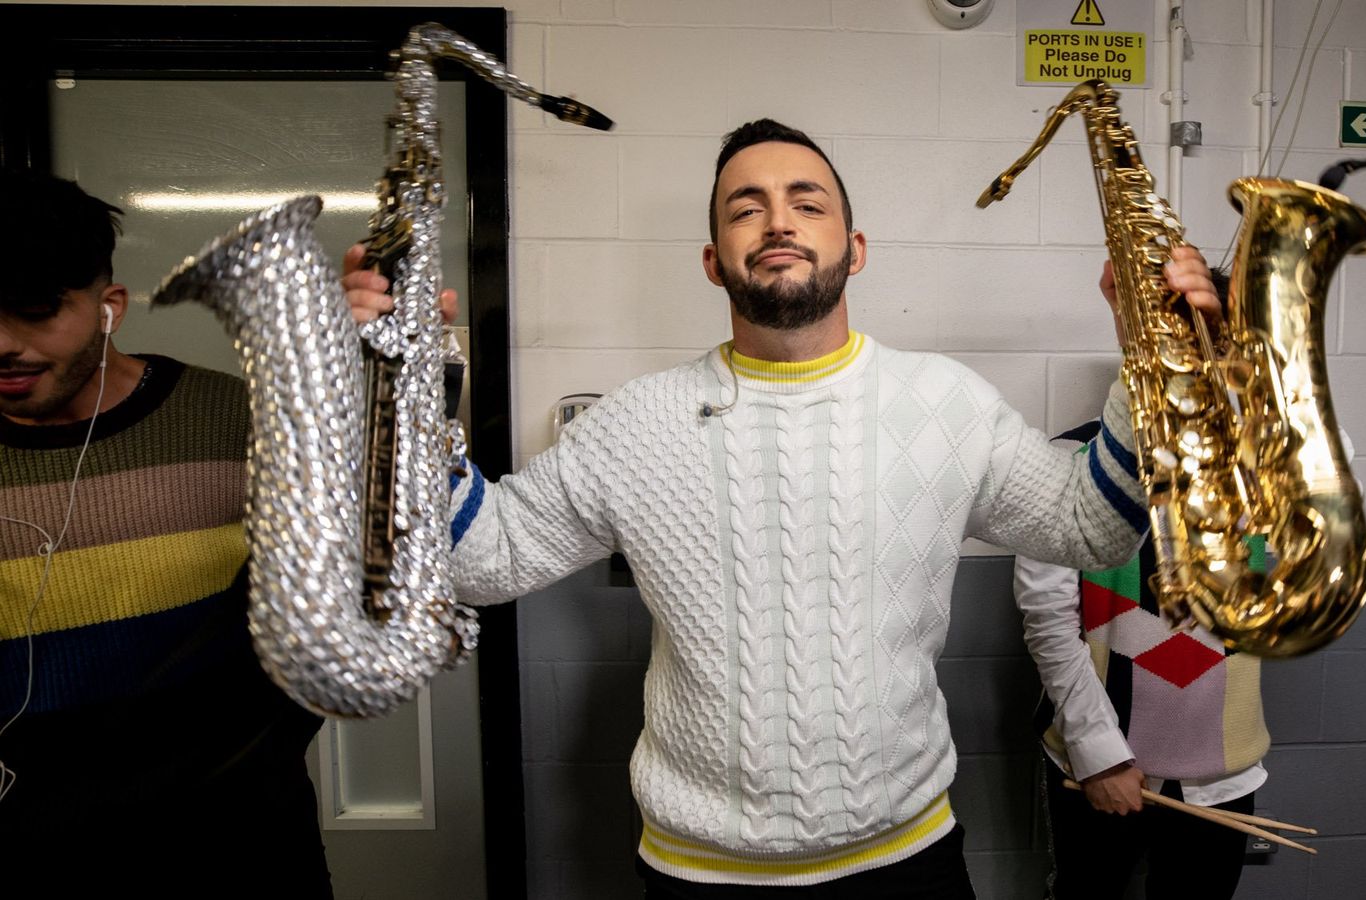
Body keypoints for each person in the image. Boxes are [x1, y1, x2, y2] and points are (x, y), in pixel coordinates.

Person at [346, 118, 1220, 897]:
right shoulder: (634, 424)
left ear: (856, 245)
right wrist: (402, 384)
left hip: (907, 865)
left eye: (806, 202)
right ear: (712, 258)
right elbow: (479, 560)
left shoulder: (946, 403)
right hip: (699, 875)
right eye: (744, 207)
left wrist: (1153, 360)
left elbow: (1088, 524)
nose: (777, 221)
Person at [0, 171, 332, 898]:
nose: (4, 345)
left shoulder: (247, 420)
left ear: (108, 308)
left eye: (34, 311)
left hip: (234, 842)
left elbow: (340, 613)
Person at [1014, 373, 1270, 898]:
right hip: (1095, 761)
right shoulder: (1069, 456)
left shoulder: (1270, 459)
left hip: (1225, 769)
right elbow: (1050, 620)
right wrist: (1098, 751)